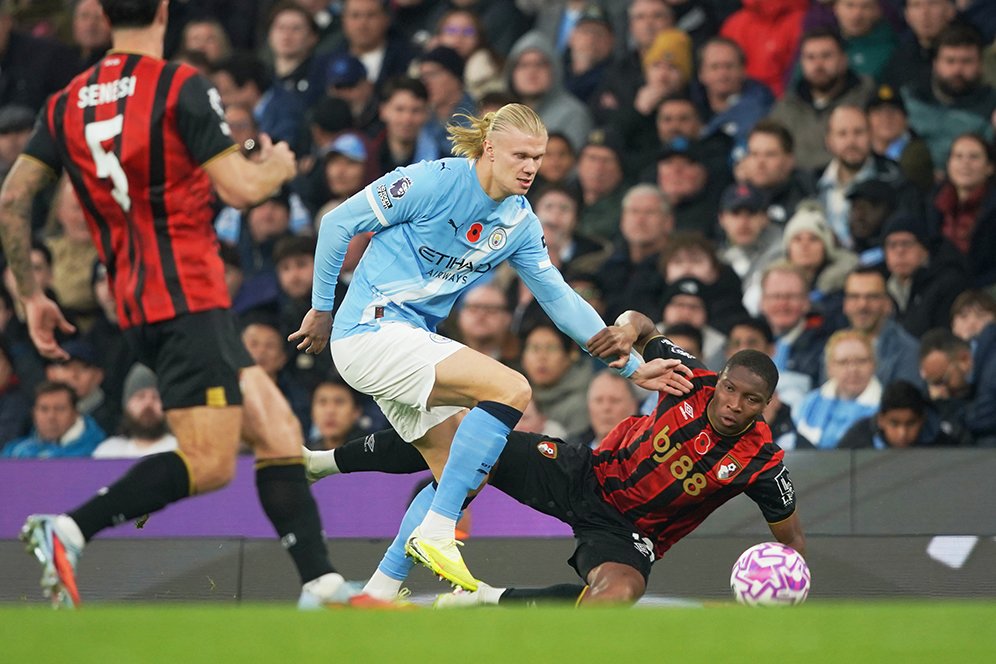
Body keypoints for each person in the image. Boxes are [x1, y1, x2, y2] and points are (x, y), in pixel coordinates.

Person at [0, 0, 367, 609]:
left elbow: (13, 199)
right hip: (186, 298)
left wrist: (28, 293)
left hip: (137, 299)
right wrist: (275, 166)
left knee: (276, 429)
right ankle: (68, 529)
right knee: (211, 461)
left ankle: (321, 585)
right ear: (164, 10)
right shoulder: (177, 86)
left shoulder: (66, 101)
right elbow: (240, 188)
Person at [289, 103, 649, 597]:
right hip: (370, 331)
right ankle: (437, 531)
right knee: (510, 387)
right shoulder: (431, 182)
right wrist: (321, 307)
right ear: (489, 149)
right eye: (520, 155)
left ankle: (376, 590)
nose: (530, 168)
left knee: (462, 474)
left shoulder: (519, 222)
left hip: (407, 341)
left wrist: (632, 366)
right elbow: (336, 225)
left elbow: (560, 299)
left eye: (538, 158)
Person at [306, 309, 806, 606]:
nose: (734, 405)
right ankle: (322, 463)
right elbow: (641, 321)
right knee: (466, 437)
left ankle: (488, 601)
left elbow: (791, 538)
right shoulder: (688, 377)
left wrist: (788, 583)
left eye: (751, 401)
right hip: (583, 473)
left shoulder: (763, 461)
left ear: (767, 407)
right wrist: (627, 328)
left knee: (617, 595)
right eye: (729, 389)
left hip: (631, 534)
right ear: (718, 380)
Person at [837, 379, 960, 449]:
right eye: (894, 424)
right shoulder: (857, 439)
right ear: (881, 420)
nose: (902, 433)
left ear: (922, 420)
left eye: (911, 424)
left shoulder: (943, 445)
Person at [0, 380, 105, 458]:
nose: (51, 417)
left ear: (75, 413)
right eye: (44, 409)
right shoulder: (15, 451)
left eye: (59, 409)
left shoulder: (98, 451)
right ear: (33, 413)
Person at [91, 363, 177, 458]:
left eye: (156, 397)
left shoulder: (179, 450)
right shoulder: (108, 452)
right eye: (140, 397)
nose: (148, 403)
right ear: (127, 405)